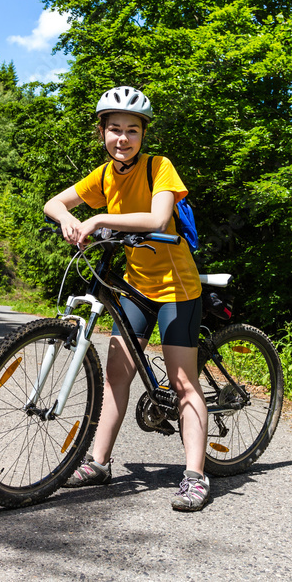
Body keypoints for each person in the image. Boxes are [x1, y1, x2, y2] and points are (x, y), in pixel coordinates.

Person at [43, 85, 210, 511]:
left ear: (142, 135)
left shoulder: (160, 168)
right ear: (101, 132)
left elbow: (157, 216)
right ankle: (99, 463)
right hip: (136, 285)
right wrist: (69, 219)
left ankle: (195, 476)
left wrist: (98, 217)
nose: (123, 138)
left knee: (183, 383)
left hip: (177, 286)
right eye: (114, 129)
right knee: (118, 371)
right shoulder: (102, 175)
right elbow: (54, 203)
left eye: (132, 130)